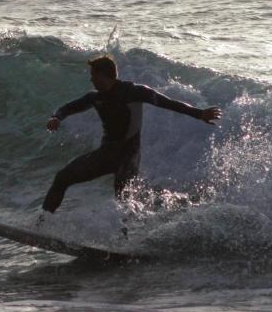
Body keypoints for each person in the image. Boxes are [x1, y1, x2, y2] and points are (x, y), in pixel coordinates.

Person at [41, 55, 221, 214]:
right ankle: (43, 223)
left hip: (128, 156)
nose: (91, 79)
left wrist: (199, 113)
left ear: (104, 75)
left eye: (93, 75)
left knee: (122, 196)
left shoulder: (133, 92)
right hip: (106, 154)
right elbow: (68, 108)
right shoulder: (95, 97)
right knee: (62, 177)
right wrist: (56, 117)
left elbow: (168, 103)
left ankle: (124, 241)